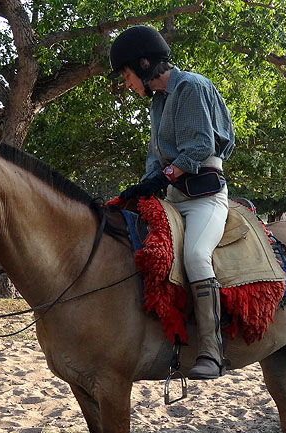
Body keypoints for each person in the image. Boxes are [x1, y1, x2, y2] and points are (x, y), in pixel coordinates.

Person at [109, 25, 236, 380]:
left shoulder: (191, 87)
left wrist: (160, 177)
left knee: (196, 255)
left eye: (127, 75)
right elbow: (155, 157)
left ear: (145, 63)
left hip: (204, 197)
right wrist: (144, 185)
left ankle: (212, 351)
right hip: (173, 196)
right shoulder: (158, 103)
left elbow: (199, 147)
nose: (127, 83)